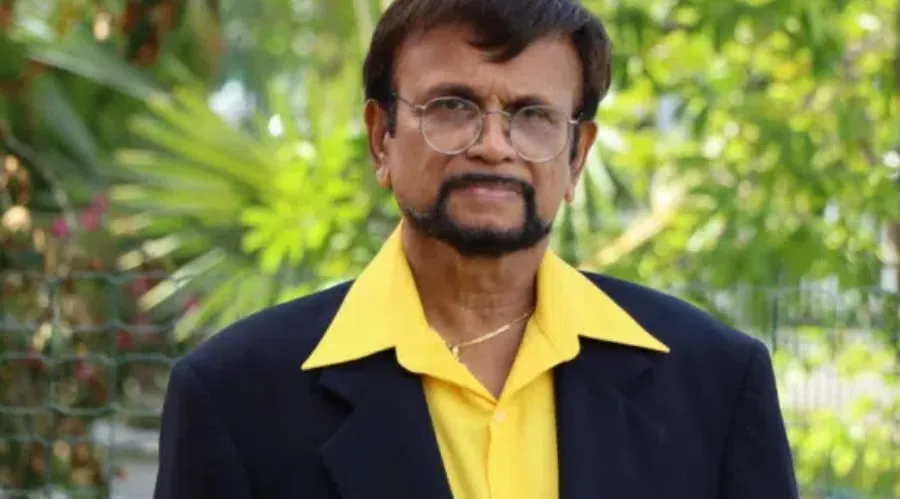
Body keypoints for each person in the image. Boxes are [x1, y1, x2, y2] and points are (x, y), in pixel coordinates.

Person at [153, 0, 799, 498]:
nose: (493, 145)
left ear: (577, 155)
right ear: (381, 138)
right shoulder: (237, 398)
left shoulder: (713, 384)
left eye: (533, 115)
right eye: (453, 106)